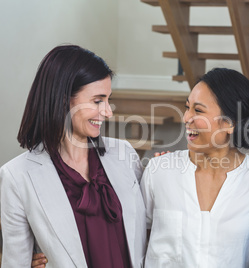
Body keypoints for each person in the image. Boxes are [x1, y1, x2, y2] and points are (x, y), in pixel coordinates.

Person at [0, 45, 147, 267]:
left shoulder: (124, 154)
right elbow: (15, 262)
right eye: (98, 101)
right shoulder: (16, 176)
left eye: (108, 100)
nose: (108, 111)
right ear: (63, 99)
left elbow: (152, 226)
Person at [140, 68, 249, 267]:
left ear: (231, 124)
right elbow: (141, 236)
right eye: (187, 107)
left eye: (198, 110)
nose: (186, 118)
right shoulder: (159, 171)